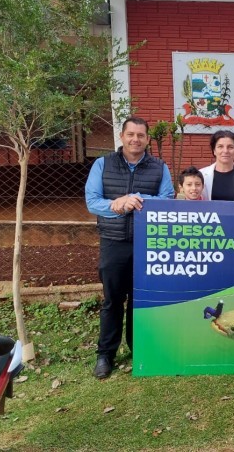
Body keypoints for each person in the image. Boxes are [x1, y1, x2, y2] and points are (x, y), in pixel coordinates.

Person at [85, 117, 175, 379]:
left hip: (148, 243)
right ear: (122, 137)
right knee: (113, 300)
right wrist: (118, 204)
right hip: (113, 243)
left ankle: (140, 349)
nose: (135, 139)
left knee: (141, 300)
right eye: (131, 134)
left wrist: (137, 199)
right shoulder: (102, 164)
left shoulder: (159, 167)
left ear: (147, 139)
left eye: (141, 135)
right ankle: (105, 355)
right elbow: (93, 202)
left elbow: (167, 199)